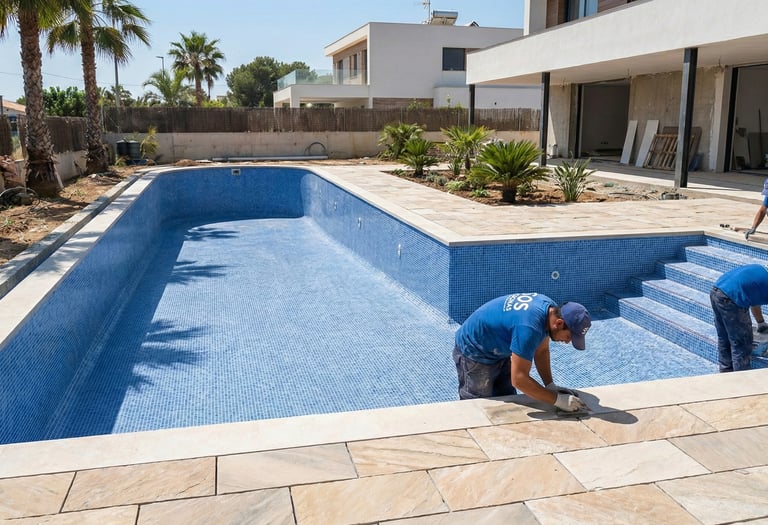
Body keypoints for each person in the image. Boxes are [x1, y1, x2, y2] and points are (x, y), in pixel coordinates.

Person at [453, 292, 591, 412]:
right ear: (559, 323)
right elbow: (519, 380)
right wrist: (558, 400)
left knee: (507, 400)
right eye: (569, 337)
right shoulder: (529, 327)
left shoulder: (550, 311)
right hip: (474, 350)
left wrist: (550, 386)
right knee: (477, 406)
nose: (567, 342)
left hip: (497, 347)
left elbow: (541, 350)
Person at [710, 264, 768, 372]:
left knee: (724, 337)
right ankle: (741, 377)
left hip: (716, 290)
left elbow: (754, 300)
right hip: (731, 298)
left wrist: (761, 322)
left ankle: (726, 372)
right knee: (742, 342)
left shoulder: (760, 273)